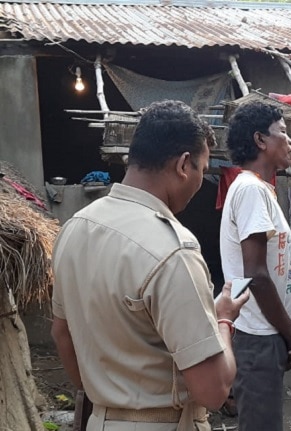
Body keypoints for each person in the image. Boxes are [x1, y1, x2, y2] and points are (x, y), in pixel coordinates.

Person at [51, 100, 249, 430]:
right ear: (184, 165)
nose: (200, 181)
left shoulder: (75, 227)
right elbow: (213, 390)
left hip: (100, 420)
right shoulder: (174, 250)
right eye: (202, 168)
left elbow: (62, 334)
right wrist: (223, 320)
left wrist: (108, 394)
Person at [219, 101, 291, 431]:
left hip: (266, 333)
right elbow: (255, 275)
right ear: (260, 140)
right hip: (260, 337)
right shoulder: (251, 190)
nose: (290, 142)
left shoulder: (259, 190)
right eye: (283, 133)